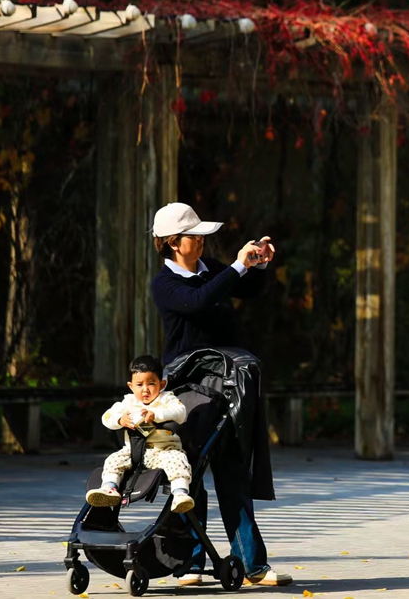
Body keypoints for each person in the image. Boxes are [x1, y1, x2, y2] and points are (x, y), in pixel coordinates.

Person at [149, 201, 291, 587]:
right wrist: (237, 266)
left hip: (227, 383)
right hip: (189, 385)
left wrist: (257, 264)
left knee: (233, 468)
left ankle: (252, 565)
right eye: (193, 236)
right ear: (172, 243)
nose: (201, 241)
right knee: (190, 472)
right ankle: (190, 563)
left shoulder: (210, 267)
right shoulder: (165, 284)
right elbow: (199, 301)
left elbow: (246, 288)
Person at [86, 355, 194, 514]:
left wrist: (156, 414)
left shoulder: (167, 399)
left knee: (178, 460)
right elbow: (106, 417)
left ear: (162, 384)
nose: (145, 389)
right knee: (113, 460)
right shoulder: (128, 402)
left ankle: (180, 494)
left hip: (164, 450)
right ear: (131, 386)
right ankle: (109, 488)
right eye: (139, 384)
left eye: (151, 383)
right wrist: (120, 420)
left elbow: (180, 413)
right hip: (133, 452)